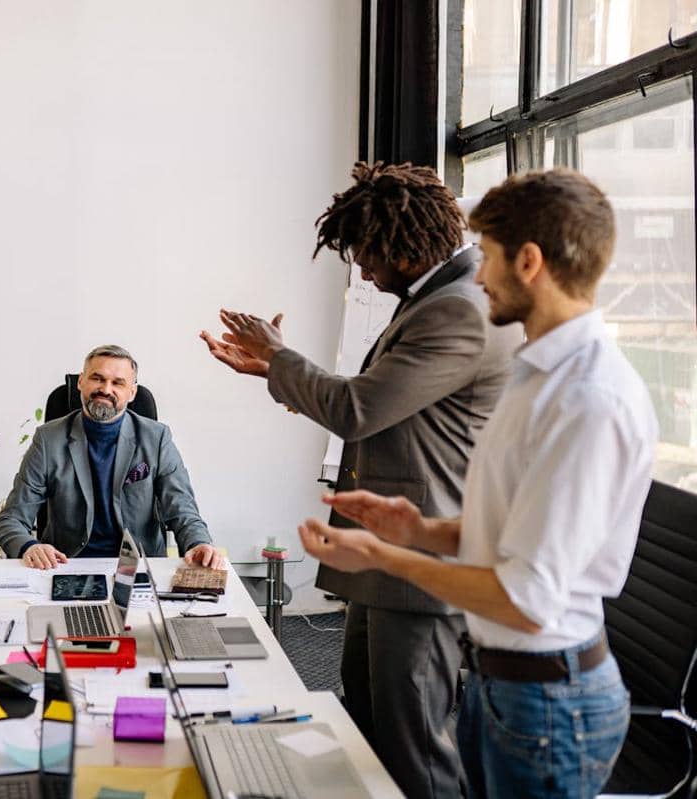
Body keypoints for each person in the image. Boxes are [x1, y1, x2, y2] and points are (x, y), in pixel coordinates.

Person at [300, 168, 657, 799]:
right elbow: (513, 530)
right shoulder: (538, 373)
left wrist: (389, 556)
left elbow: (526, 596)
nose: (476, 275)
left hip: (548, 704)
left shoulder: (587, 399)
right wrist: (416, 530)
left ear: (528, 262)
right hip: (508, 684)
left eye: (486, 257)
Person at [200, 161, 521, 798]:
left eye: (366, 254)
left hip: (421, 564)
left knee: (414, 747)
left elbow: (357, 409)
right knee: (368, 718)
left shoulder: (458, 309)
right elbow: (375, 399)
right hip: (390, 557)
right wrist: (272, 371)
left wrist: (277, 355)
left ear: (400, 243)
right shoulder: (437, 299)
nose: (364, 271)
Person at [0, 345, 222, 569]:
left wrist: (198, 543)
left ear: (132, 392)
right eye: (97, 378)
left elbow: (182, 509)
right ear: (81, 382)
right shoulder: (48, 439)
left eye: (118, 383)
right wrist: (29, 547)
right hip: (66, 566)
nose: (106, 389)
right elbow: (11, 520)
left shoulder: (157, 438)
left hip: (138, 570)